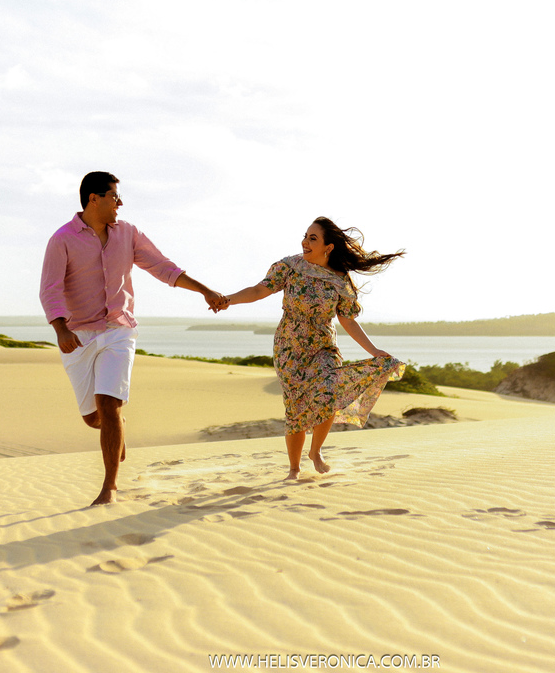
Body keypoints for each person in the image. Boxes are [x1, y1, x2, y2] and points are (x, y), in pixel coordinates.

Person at [40, 171, 226, 506]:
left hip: (118, 330)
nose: (120, 203)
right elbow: (50, 290)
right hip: (78, 335)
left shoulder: (128, 234)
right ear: (93, 199)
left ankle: (109, 487)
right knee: (93, 417)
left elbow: (162, 267)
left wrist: (204, 290)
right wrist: (61, 329)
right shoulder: (62, 239)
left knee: (108, 404)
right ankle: (116, 428)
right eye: (114, 196)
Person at [221, 218, 405, 480]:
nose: (305, 243)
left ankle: (315, 451)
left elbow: (347, 320)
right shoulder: (290, 266)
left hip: (323, 345)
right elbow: (259, 290)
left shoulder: (340, 280)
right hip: (289, 346)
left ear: (328, 247)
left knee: (328, 392)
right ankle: (294, 469)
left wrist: (374, 351)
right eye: (305, 237)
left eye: (312, 238)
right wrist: (228, 300)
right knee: (295, 408)